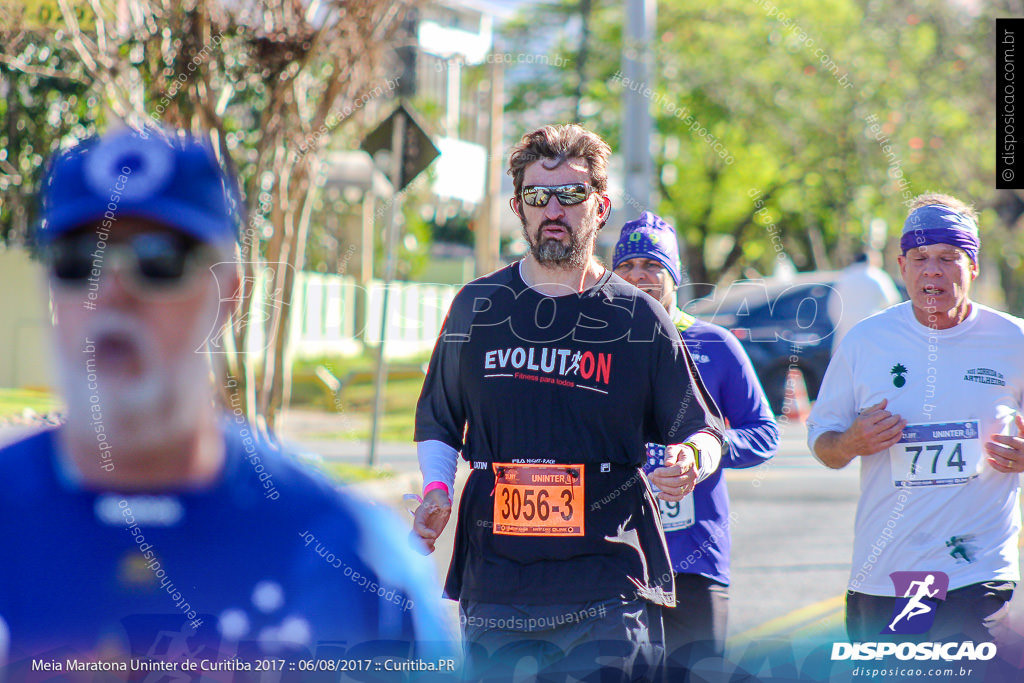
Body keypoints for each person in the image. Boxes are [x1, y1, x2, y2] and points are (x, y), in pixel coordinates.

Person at [0, 127, 453, 672]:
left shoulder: (354, 559)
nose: (111, 292)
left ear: (228, 294)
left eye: (158, 259)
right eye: (79, 260)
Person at [411, 124, 725, 680]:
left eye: (571, 195)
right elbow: (439, 417)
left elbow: (702, 428)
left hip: (606, 583)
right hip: (498, 583)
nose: (553, 208)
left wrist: (691, 460)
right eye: (537, 196)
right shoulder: (478, 306)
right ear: (519, 208)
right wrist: (437, 490)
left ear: (600, 207)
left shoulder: (638, 317)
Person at [807, 194, 1024, 652]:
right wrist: (850, 441)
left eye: (949, 259)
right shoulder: (867, 341)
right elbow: (822, 442)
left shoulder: (1013, 339)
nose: (933, 272)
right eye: (921, 259)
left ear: (974, 267)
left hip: (979, 570)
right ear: (902, 267)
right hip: (890, 572)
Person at [612, 212, 779, 674]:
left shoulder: (715, 344)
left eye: (652, 265)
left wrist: (706, 452)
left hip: (695, 556)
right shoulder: (599, 344)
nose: (638, 276)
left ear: (674, 276)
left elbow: (764, 432)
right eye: (626, 266)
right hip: (616, 555)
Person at [827, 248, 901, 353]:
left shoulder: (844, 277)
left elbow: (833, 308)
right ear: (871, 259)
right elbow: (892, 302)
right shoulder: (877, 276)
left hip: (846, 334)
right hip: (873, 334)